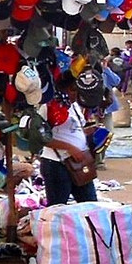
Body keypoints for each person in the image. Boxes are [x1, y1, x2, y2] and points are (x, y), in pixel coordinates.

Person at [38, 70, 99, 206]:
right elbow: (40, 137)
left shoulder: (75, 106)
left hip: (80, 163)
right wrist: (70, 148)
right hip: (57, 164)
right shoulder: (47, 107)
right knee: (58, 208)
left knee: (91, 206)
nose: (75, 94)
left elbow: (74, 130)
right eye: (72, 90)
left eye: (77, 90)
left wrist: (89, 132)